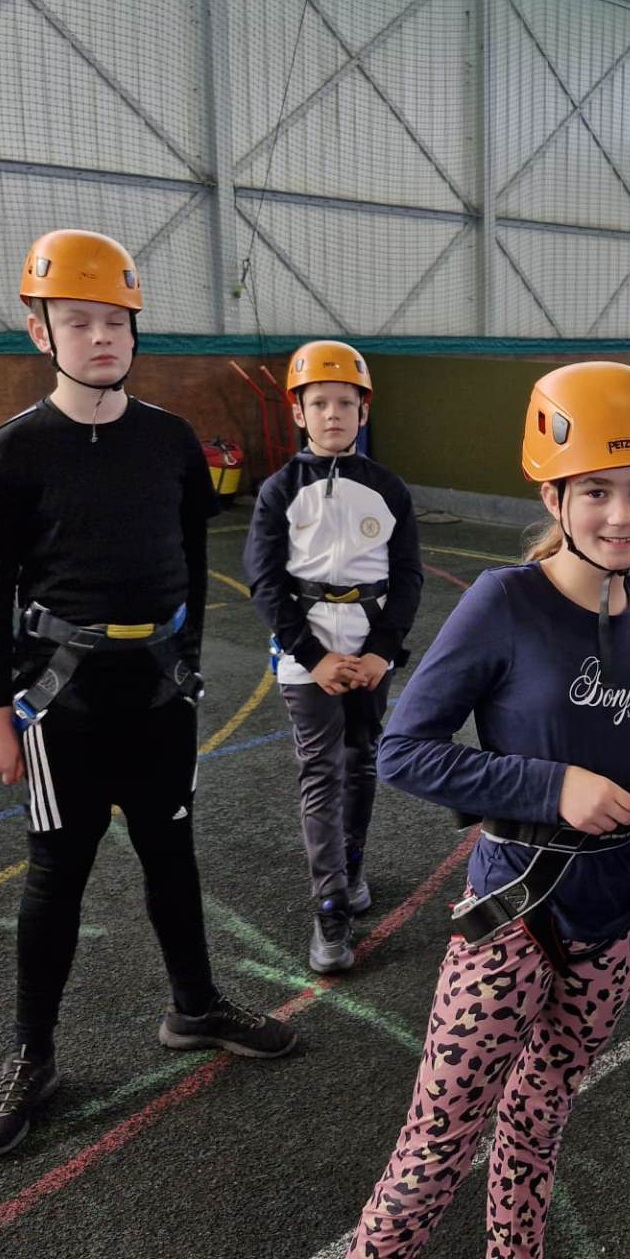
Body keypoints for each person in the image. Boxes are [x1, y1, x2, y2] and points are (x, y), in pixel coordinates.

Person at [329, 362, 630, 1259]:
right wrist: (552, 786)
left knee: (541, 1118)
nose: (623, 515)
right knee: (436, 1149)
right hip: (513, 914)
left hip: (618, 912)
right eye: (596, 491)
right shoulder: (504, 603)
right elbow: (403, 750)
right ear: (553, 495)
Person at [0, 228, 295, 1162]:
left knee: (170, 855)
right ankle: (32, 1057)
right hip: (61, 708)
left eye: (116, 320)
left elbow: (188, 559)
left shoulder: (171, 441)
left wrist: (187, 668)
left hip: (159, 700)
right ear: (41, 333)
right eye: (79, 321)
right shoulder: (14, 452)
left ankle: (195, 1006)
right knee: (55, 876)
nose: (102, 336)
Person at [244, 340, 422, 973]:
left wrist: (380, 652)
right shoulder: (278, 490)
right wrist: (313, 657)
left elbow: (407, 578)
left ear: (363, 410)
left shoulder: (389, 489)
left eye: (345, 403)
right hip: (307, 655)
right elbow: (265, 582)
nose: (332, 414)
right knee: (321, 768)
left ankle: (351, 865)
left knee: (362, 758)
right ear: (299, 412)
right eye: (319, 403)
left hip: (370, 651)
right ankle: (330, 908)